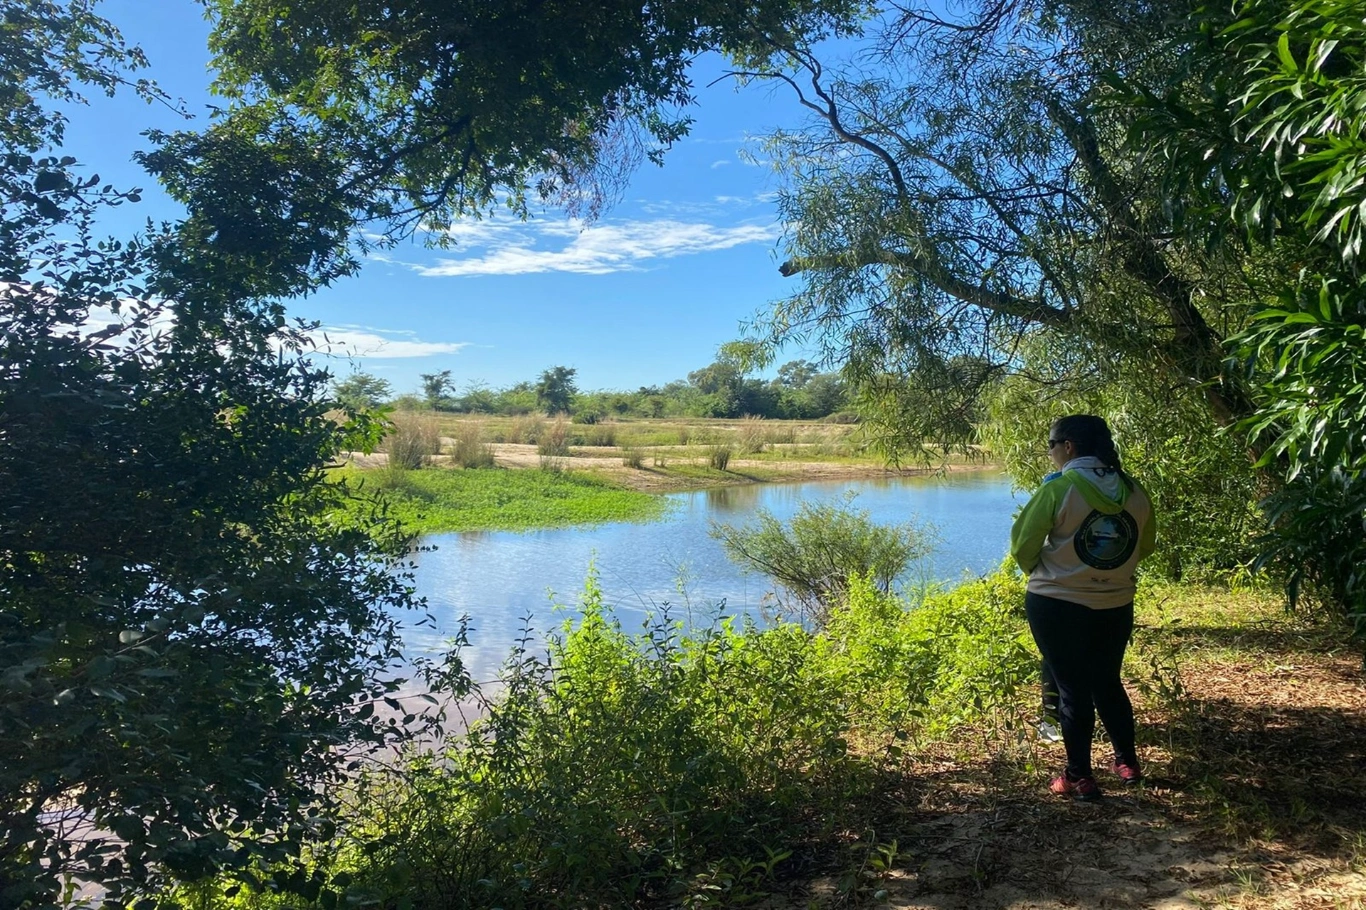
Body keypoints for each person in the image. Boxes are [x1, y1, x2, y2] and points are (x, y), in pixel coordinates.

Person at [1010, 415, 1157, 801]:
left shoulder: (1059, 490)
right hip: (1115, 602)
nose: (1051, 453)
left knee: (1071, 688)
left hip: (1056, 603)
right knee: (1107, 681)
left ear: (1069, 446)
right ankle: (1127, 762)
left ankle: (1079, 776)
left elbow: (1023, 545)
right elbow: (1145, 546)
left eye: (1051, 446)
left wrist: (1048, 568)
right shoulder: (1133, 489)